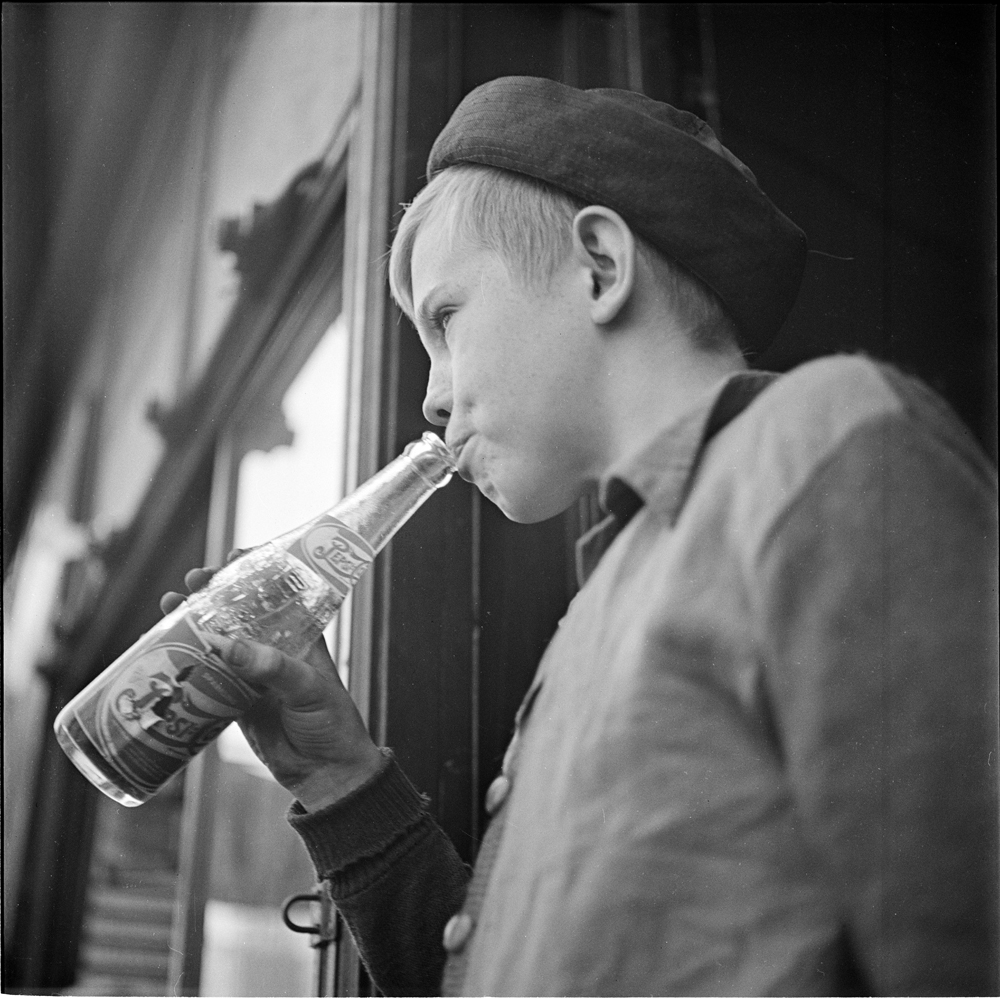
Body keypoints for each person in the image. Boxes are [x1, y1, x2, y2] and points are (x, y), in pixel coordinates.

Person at [164, 77, 998, 996]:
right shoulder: (607, 589)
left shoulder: (825, 447)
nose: (432, 398)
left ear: (599, 264)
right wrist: (337, 774)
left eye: (446, 319)